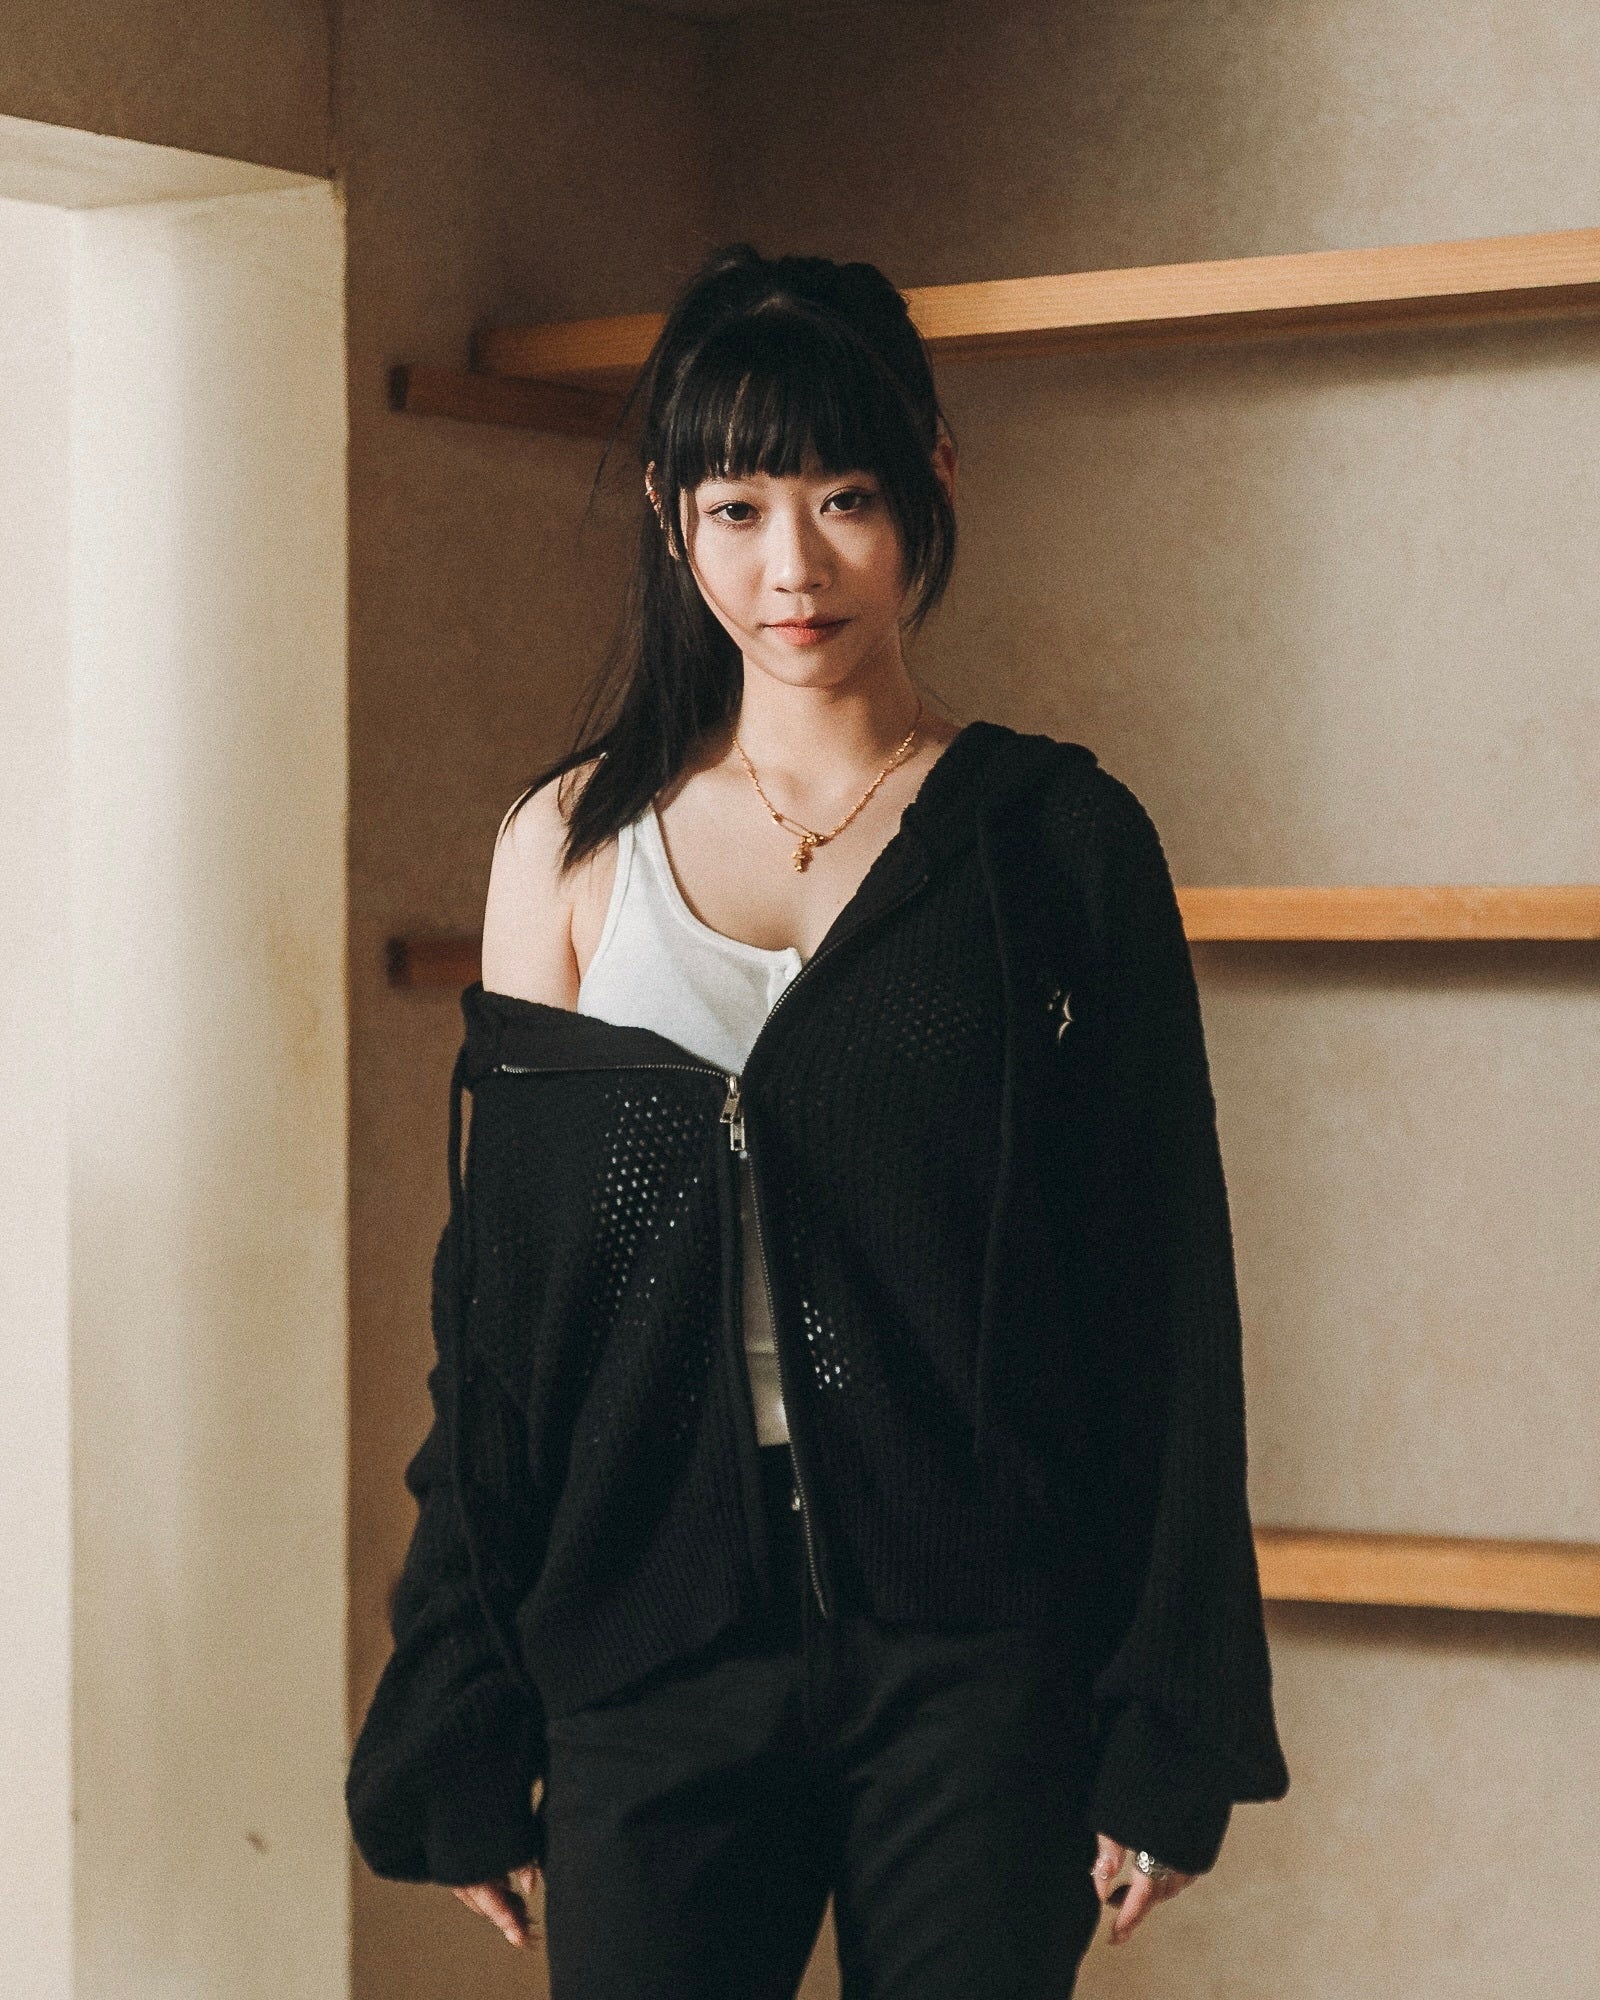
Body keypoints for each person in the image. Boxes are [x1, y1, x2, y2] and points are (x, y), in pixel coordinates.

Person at [345, 243, 1290, 1998]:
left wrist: (1173, 1719)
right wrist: (456, 1706)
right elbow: (502, 1337)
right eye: (737, 508)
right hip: (649, 1644)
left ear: (933, 480)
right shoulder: (567, 847)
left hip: (983, 1658)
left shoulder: (1056, 846)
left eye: (844, 497)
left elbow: (1165, 1298)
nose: (792, 567)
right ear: (670, 515)